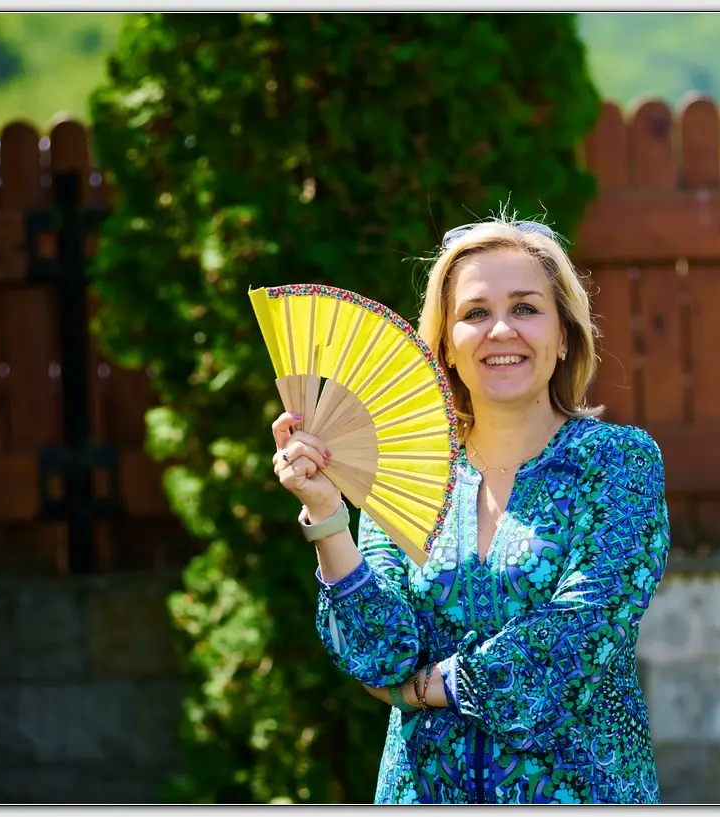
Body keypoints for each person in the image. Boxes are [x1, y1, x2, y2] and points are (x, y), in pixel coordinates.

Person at [270, 217, 671, 804]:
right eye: (475, 313)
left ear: (564, 336)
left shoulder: (618, 462)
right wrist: (328, 517)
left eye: (526, 308)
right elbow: (379, 653)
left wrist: (427, 689)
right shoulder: (406, 472)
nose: (501, 330)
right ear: (446, 348)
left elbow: (580, 636)